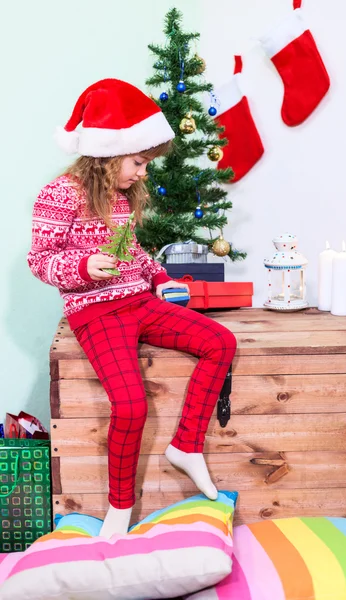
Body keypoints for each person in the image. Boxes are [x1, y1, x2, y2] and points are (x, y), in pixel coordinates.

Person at [27, 78, 237, 538]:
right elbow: (40, 260)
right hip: (96, 313)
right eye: (139, 161)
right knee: (130, 405)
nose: (143, 172)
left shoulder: (119, 199)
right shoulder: (59, 195)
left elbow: (131, 252)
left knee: (220, 340)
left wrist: (161, 279)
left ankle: (186, 446)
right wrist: (85, 265)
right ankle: (119, 508)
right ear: (107, 153)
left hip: (139, 301)